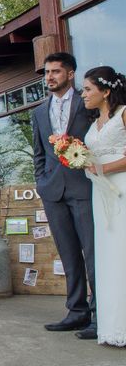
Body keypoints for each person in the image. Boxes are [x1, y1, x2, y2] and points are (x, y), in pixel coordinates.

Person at [31, 52, 95, 338]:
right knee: (69, 256)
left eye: (56, 71)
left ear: (70, 74)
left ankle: (101, 314)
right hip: (53, 191)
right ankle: (77, 311)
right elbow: (39, 154)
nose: (50, 77)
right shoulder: (38, 112)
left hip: (85, 187)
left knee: (93, 254)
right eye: (47, 72)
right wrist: (42, 183)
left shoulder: (89, 103)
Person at [81, 66, 126, 346]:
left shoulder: (123, 115)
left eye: (87, 89)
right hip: (101, 195)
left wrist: (103, 168)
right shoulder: (93, 123)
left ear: (106, 91)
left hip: (122, 188)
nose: (83, 94)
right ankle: (113, 327)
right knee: (109, 258)